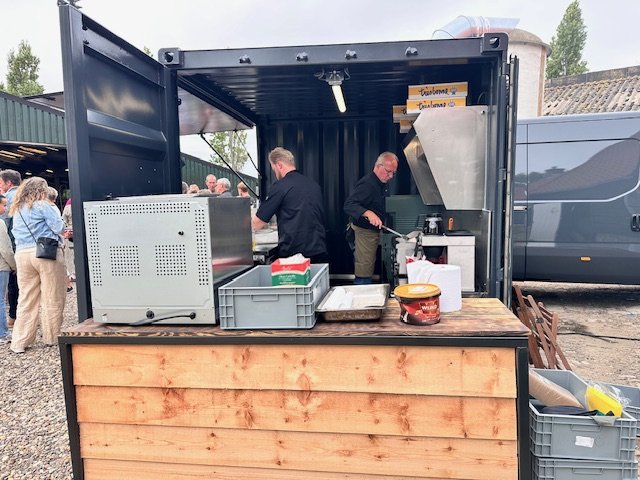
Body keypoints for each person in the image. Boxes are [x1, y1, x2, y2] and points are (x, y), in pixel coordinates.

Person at [9, 177, 68, 354]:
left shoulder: (17, 208)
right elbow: (59, 227)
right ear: (41, 189)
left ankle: (20, 341)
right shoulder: (43, 205)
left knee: (26, 299)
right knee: (52, 295)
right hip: (45, 253)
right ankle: (51, 337)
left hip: (22, 255)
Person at [252, 147, 328, 263]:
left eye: (274, 169)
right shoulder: (313, 185)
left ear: (279, 165)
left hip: (295, 255)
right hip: (319, 250)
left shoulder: (280, 186)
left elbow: (258, 223)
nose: (275, 173)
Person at [344, 151, 399, 284]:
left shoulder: (381, 182)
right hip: (363, 233)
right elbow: (349, 205)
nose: (391, 176)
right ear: (378, 166)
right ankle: (362, 299)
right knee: (364, 271)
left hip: (372, 233)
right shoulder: (368, 184)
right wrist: (368, 213)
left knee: (368, 267)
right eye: (388, 171)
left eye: (393, 173)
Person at [0, 169, 22, 328]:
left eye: (1, 183)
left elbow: (4, 229)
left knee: (12, 285)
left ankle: (14, 316)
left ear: (9, 183)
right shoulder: (26, 197)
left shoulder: (6, 199)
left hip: (13, 247)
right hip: (28, 246)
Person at [0, 194, 16, 344]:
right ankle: (3, 333)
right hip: (1, 266)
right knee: (0, 300)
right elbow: (5, 248)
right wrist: (14, 265)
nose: (5, 208)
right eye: (3, 205)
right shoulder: (0, 223)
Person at [62, 198, 75, 293]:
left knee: (71, 253)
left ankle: (73, 273)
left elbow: (63, 219)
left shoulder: (68, 204)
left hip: (70, 231)